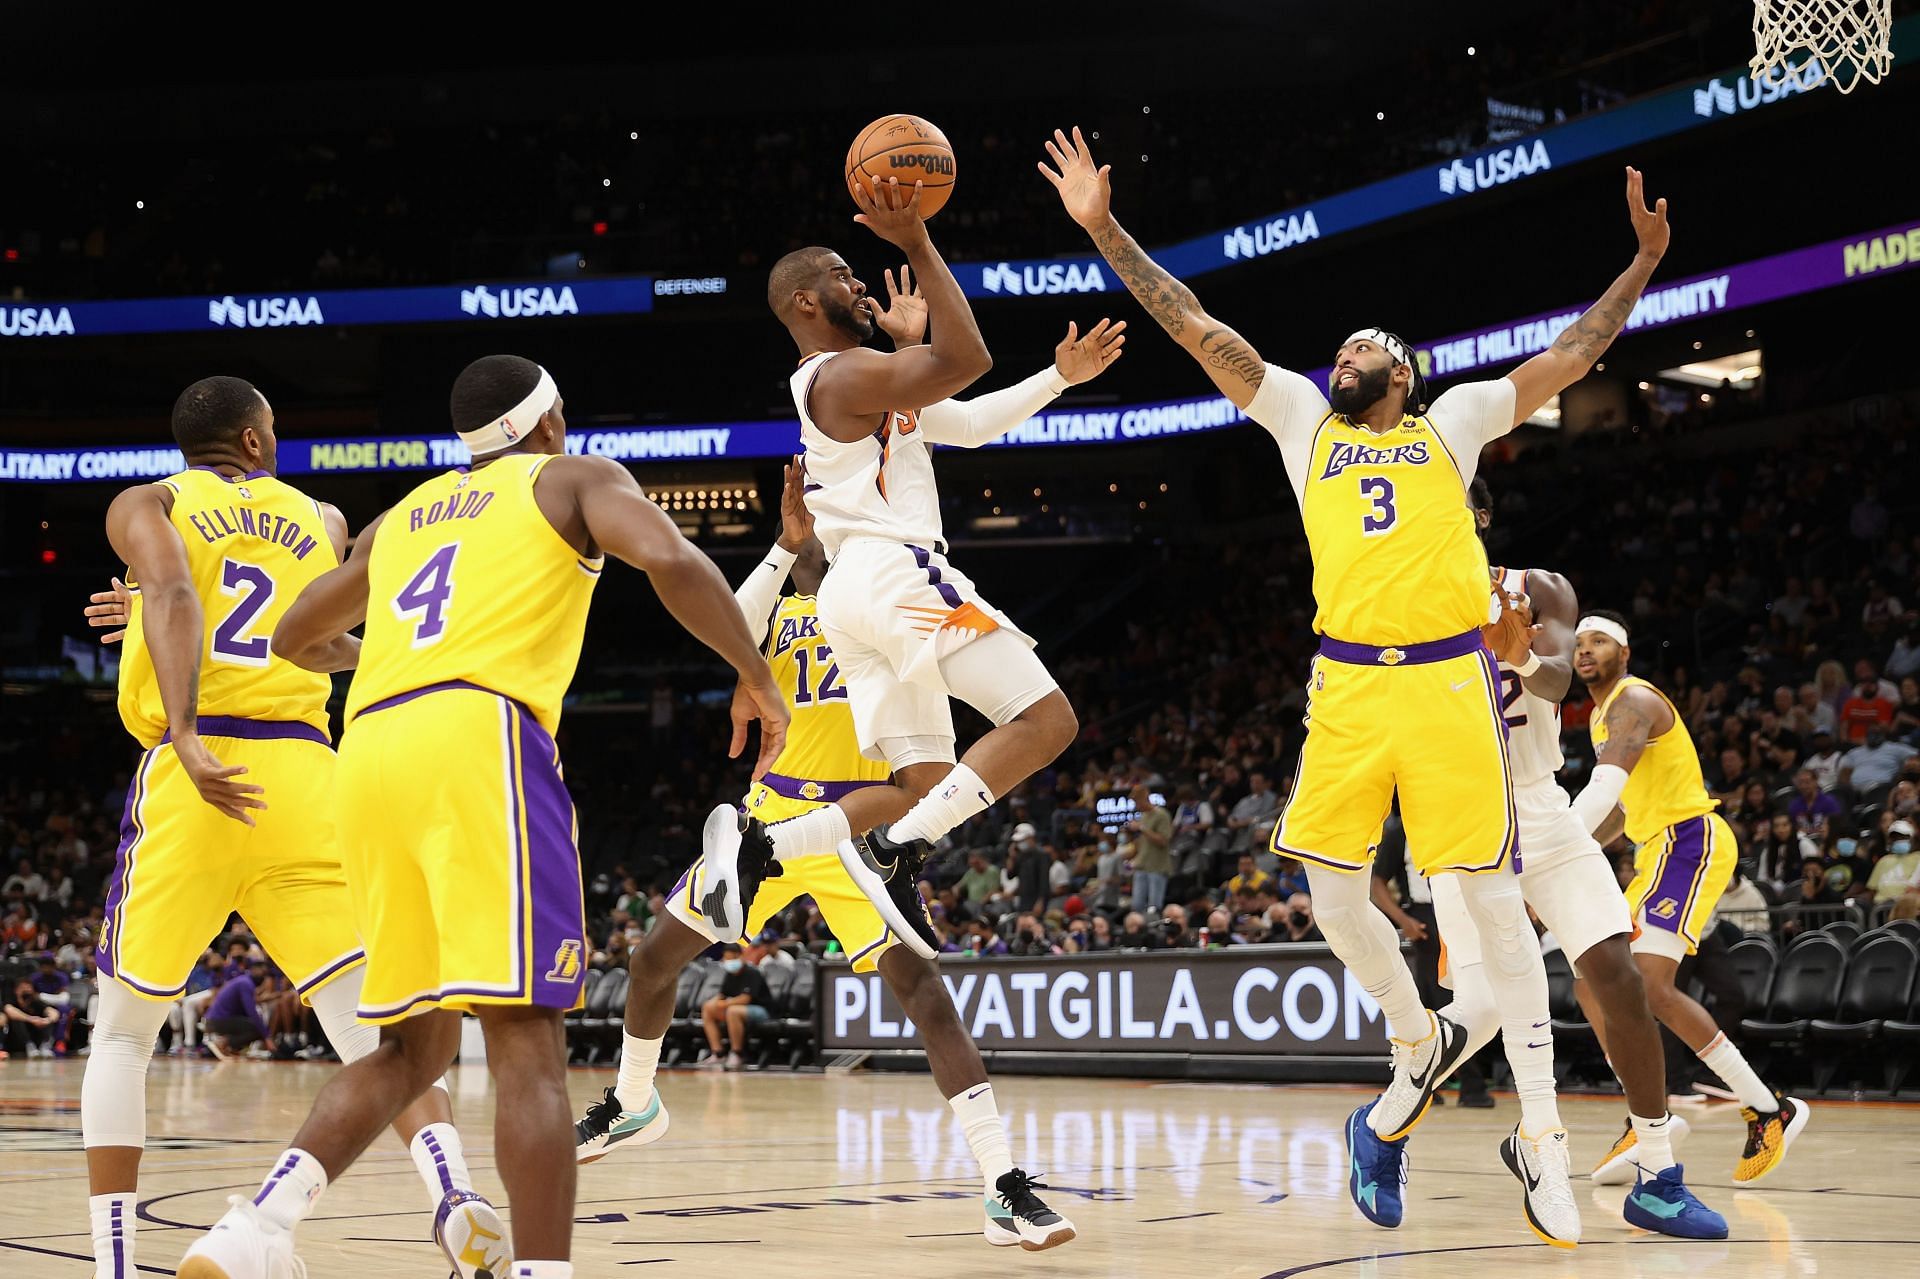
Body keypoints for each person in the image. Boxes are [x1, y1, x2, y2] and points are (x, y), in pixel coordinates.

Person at [1042, 130, 1683, 1248]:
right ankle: (1414, 1039)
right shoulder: (1298, 417)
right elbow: (1194, 321)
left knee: (1494, 909)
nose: (1339, 355)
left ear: (1404, 371)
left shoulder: (1457, 422)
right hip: (1344, 687)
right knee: (1333, 894)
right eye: (1336, 349)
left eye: (1360, 349)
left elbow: (1576, 353)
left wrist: (1638, 265)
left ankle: (1544, 1140)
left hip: (1446, 692)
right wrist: (1102, 229)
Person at [175, 355, 786, 1279]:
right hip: (480, 734)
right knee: (525, 1036)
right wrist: (757, 675)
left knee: (412, 1045)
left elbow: (293, 636)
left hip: (371, 749)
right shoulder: (571, 477)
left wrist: (393, 656)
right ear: (547, 423)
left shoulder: (405, 514)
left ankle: (256, 1227)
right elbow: (670, 558)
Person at [570, 463, 1074, 1252]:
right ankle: (634, 1100)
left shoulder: (894, 596)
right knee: (648, 962)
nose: (816, 509)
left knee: (926, 998)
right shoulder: (784, 601)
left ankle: (1003, 1184)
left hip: (857, 825)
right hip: (768, 812)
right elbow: (723, 624)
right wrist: (781, 541)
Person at [83, 376, 504, 1279]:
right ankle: (455, 1196)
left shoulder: (148, 501)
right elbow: (309, 641)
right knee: (373, 1031)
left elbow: (174, 591)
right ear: (256, 439)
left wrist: (187, 725)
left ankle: (112, 1270)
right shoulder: (320, 517)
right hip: (308, 775)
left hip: (199, 782)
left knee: (122, 1034)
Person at [760, 174, 1125, 968]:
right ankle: (890, 852)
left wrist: (1059, 377)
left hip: (856, 599)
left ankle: (766, 847)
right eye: (841, 273)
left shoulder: (863, 385)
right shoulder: (838, 374)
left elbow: (963, 420)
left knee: (924, 785)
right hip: (899, 580)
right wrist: (917, 241)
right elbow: (967, 358)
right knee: (1047, 720)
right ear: (804, 304)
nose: (859, 279)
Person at [1394, 484, 1724, 1237]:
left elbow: (1556, 677)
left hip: (1540, 802)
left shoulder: (1536, 587)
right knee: (1478, 1009)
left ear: (1477, 515)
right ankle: (1383, 1128)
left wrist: (1511, 650)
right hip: (1461, 811)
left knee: (1620, 972)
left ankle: (1658, 1174)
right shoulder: (1398, 598)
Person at [1571, 610, 1809, 1186]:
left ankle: (1767, 1107)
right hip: (1655, 849)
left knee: (1650, 985)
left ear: (1624, 653)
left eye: (1598, 640)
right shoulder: (1601, 718)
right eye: (1578, 643)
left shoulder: (1636, 701)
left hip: (1688, 840)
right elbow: (1619, 815)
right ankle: (1644, 1114)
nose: (1584, 650)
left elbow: (1604, 793)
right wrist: (1572, 856)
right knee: (1590, 974)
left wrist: (1551, 849)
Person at [698, 942, 772, 1070]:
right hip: (737, 1009)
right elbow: (722, 995)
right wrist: (714, 1002)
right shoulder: (730, 974)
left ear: (740, 956)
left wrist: (724, 1003)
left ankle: (737, 1053)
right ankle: (718, 1053)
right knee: (708, 1008)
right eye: (727, 959)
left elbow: (745, 999)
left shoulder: (753, 972)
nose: (729, 962)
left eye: (732, 958)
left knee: (732, 1011)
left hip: (762, 1010)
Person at [4, 976, 58, 1057]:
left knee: (47, 1019)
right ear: (16, 990)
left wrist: (48, 1020)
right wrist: (31, 1019)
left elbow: (54, 1012)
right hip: (18, 1041)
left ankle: (45, 1046)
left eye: (28, 988)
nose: (26, 990)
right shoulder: (11, 1001)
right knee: (17, 1019)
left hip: (36, 1038)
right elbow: (9, 1010)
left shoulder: (36, 1002)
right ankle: (29, 1046)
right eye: (23, 988)